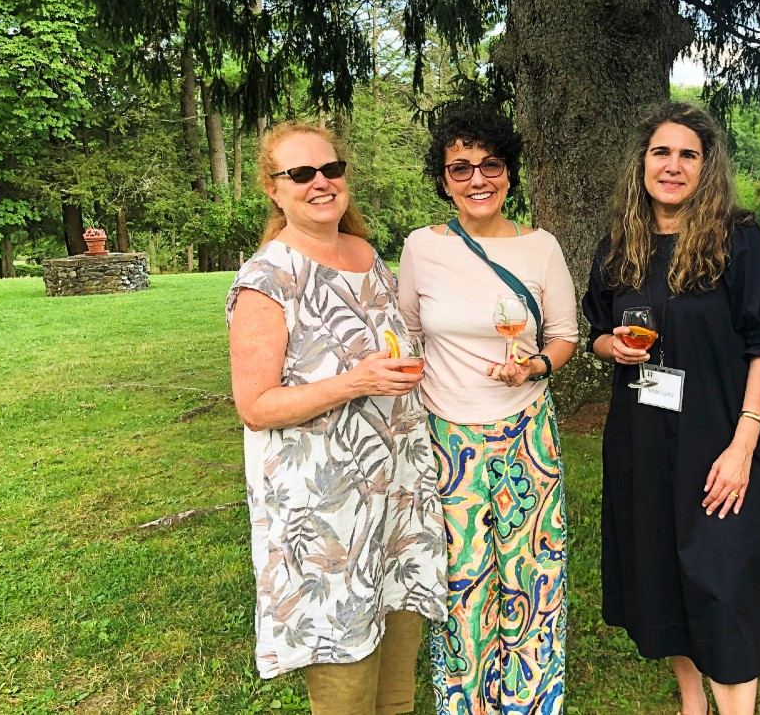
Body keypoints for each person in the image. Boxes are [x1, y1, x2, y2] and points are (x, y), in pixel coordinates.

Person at [582, 101, 760, 715]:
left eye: (689, 154)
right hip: (643, 445)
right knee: (662, 582)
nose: (673, 166)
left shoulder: (739, 239)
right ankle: (692, 706)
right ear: (642, 163)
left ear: (706, 167)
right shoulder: (620, 244)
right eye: (662, 152)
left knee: (726, 587)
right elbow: (596, 326)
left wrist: (744, 445)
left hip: (720, 442)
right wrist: (612, 346)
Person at [227, 121, 447, 714]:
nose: (320, 182)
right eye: (300, 174)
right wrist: (357, 382)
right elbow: (255, 405)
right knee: (345, 682)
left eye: (331, 169)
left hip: (396, 494)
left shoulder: (369, 257)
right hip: (326, 515)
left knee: (397, 682)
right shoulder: (267, 280)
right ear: (274, 189)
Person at [397, 103, 579, 714]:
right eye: (460, 168)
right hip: (448, 439)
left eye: (490, 164)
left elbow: (565, 335)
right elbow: (408, 333)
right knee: (461, 582)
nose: (477, 179)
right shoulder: (422, 247)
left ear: (509, 170)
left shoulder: (541, 246)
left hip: (528, 434)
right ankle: (465, 704)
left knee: (532, 573)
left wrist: (536, 365)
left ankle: (531, 704)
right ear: (443, 178)